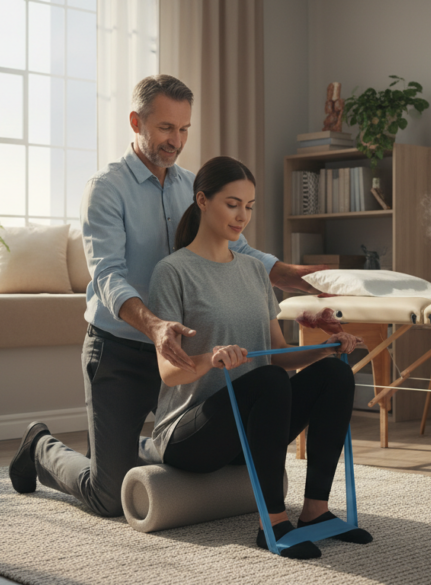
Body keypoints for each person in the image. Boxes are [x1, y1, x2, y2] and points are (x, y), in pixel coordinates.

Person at [8, 75, 324, 518]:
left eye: (184, 129)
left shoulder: (191, 186)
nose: (175, 140)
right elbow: (107, 275)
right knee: (109, 496)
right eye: (165, 128)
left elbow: (240, 249)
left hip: (182, 350)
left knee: (183, 451)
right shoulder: (106, 189)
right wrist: (155, 326)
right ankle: (40, 446)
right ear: (136, 122)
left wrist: (299, 277)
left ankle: (121, 446)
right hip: (120, 348)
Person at [147, 155, 372, 559]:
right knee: (268, 382)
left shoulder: (253, 271)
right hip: (191, 434)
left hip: (251, 427)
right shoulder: (172, 271)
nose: (242, 216)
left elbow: (278, 355)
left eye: (249, 207)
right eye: (232, 204)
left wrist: (326, 348)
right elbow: (168, 373)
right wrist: (211, 359)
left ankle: (316, 512)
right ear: (202, 200)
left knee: (334, 375)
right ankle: (271, 521)